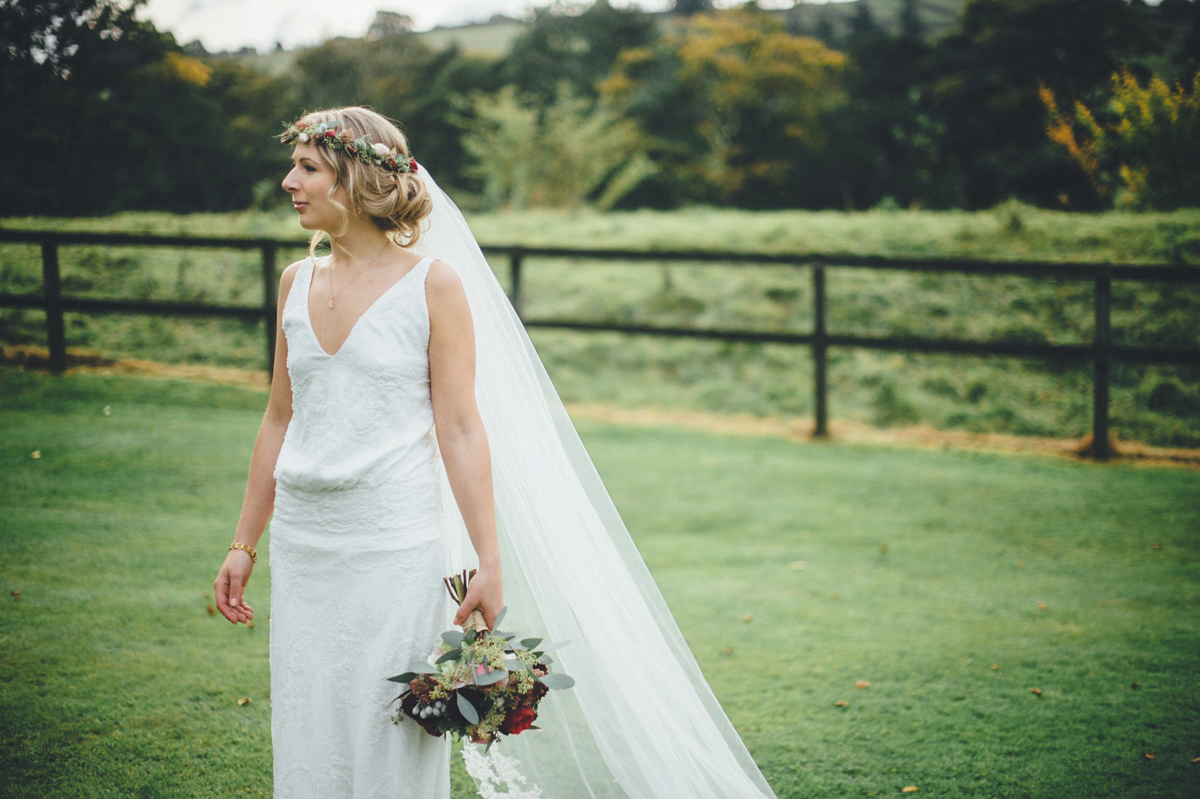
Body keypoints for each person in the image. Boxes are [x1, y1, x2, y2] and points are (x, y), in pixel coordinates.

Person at [215, 106, 778, 799]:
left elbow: (459, 426)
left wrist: (488, 558)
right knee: (309, 719)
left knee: (388, 730)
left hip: (395, 544)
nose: (287, 181)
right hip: (305, 544)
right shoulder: (292, 285)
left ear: (355, 178)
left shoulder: (432, 285)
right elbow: (279, 418)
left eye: (306, 167)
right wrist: (245, 541)